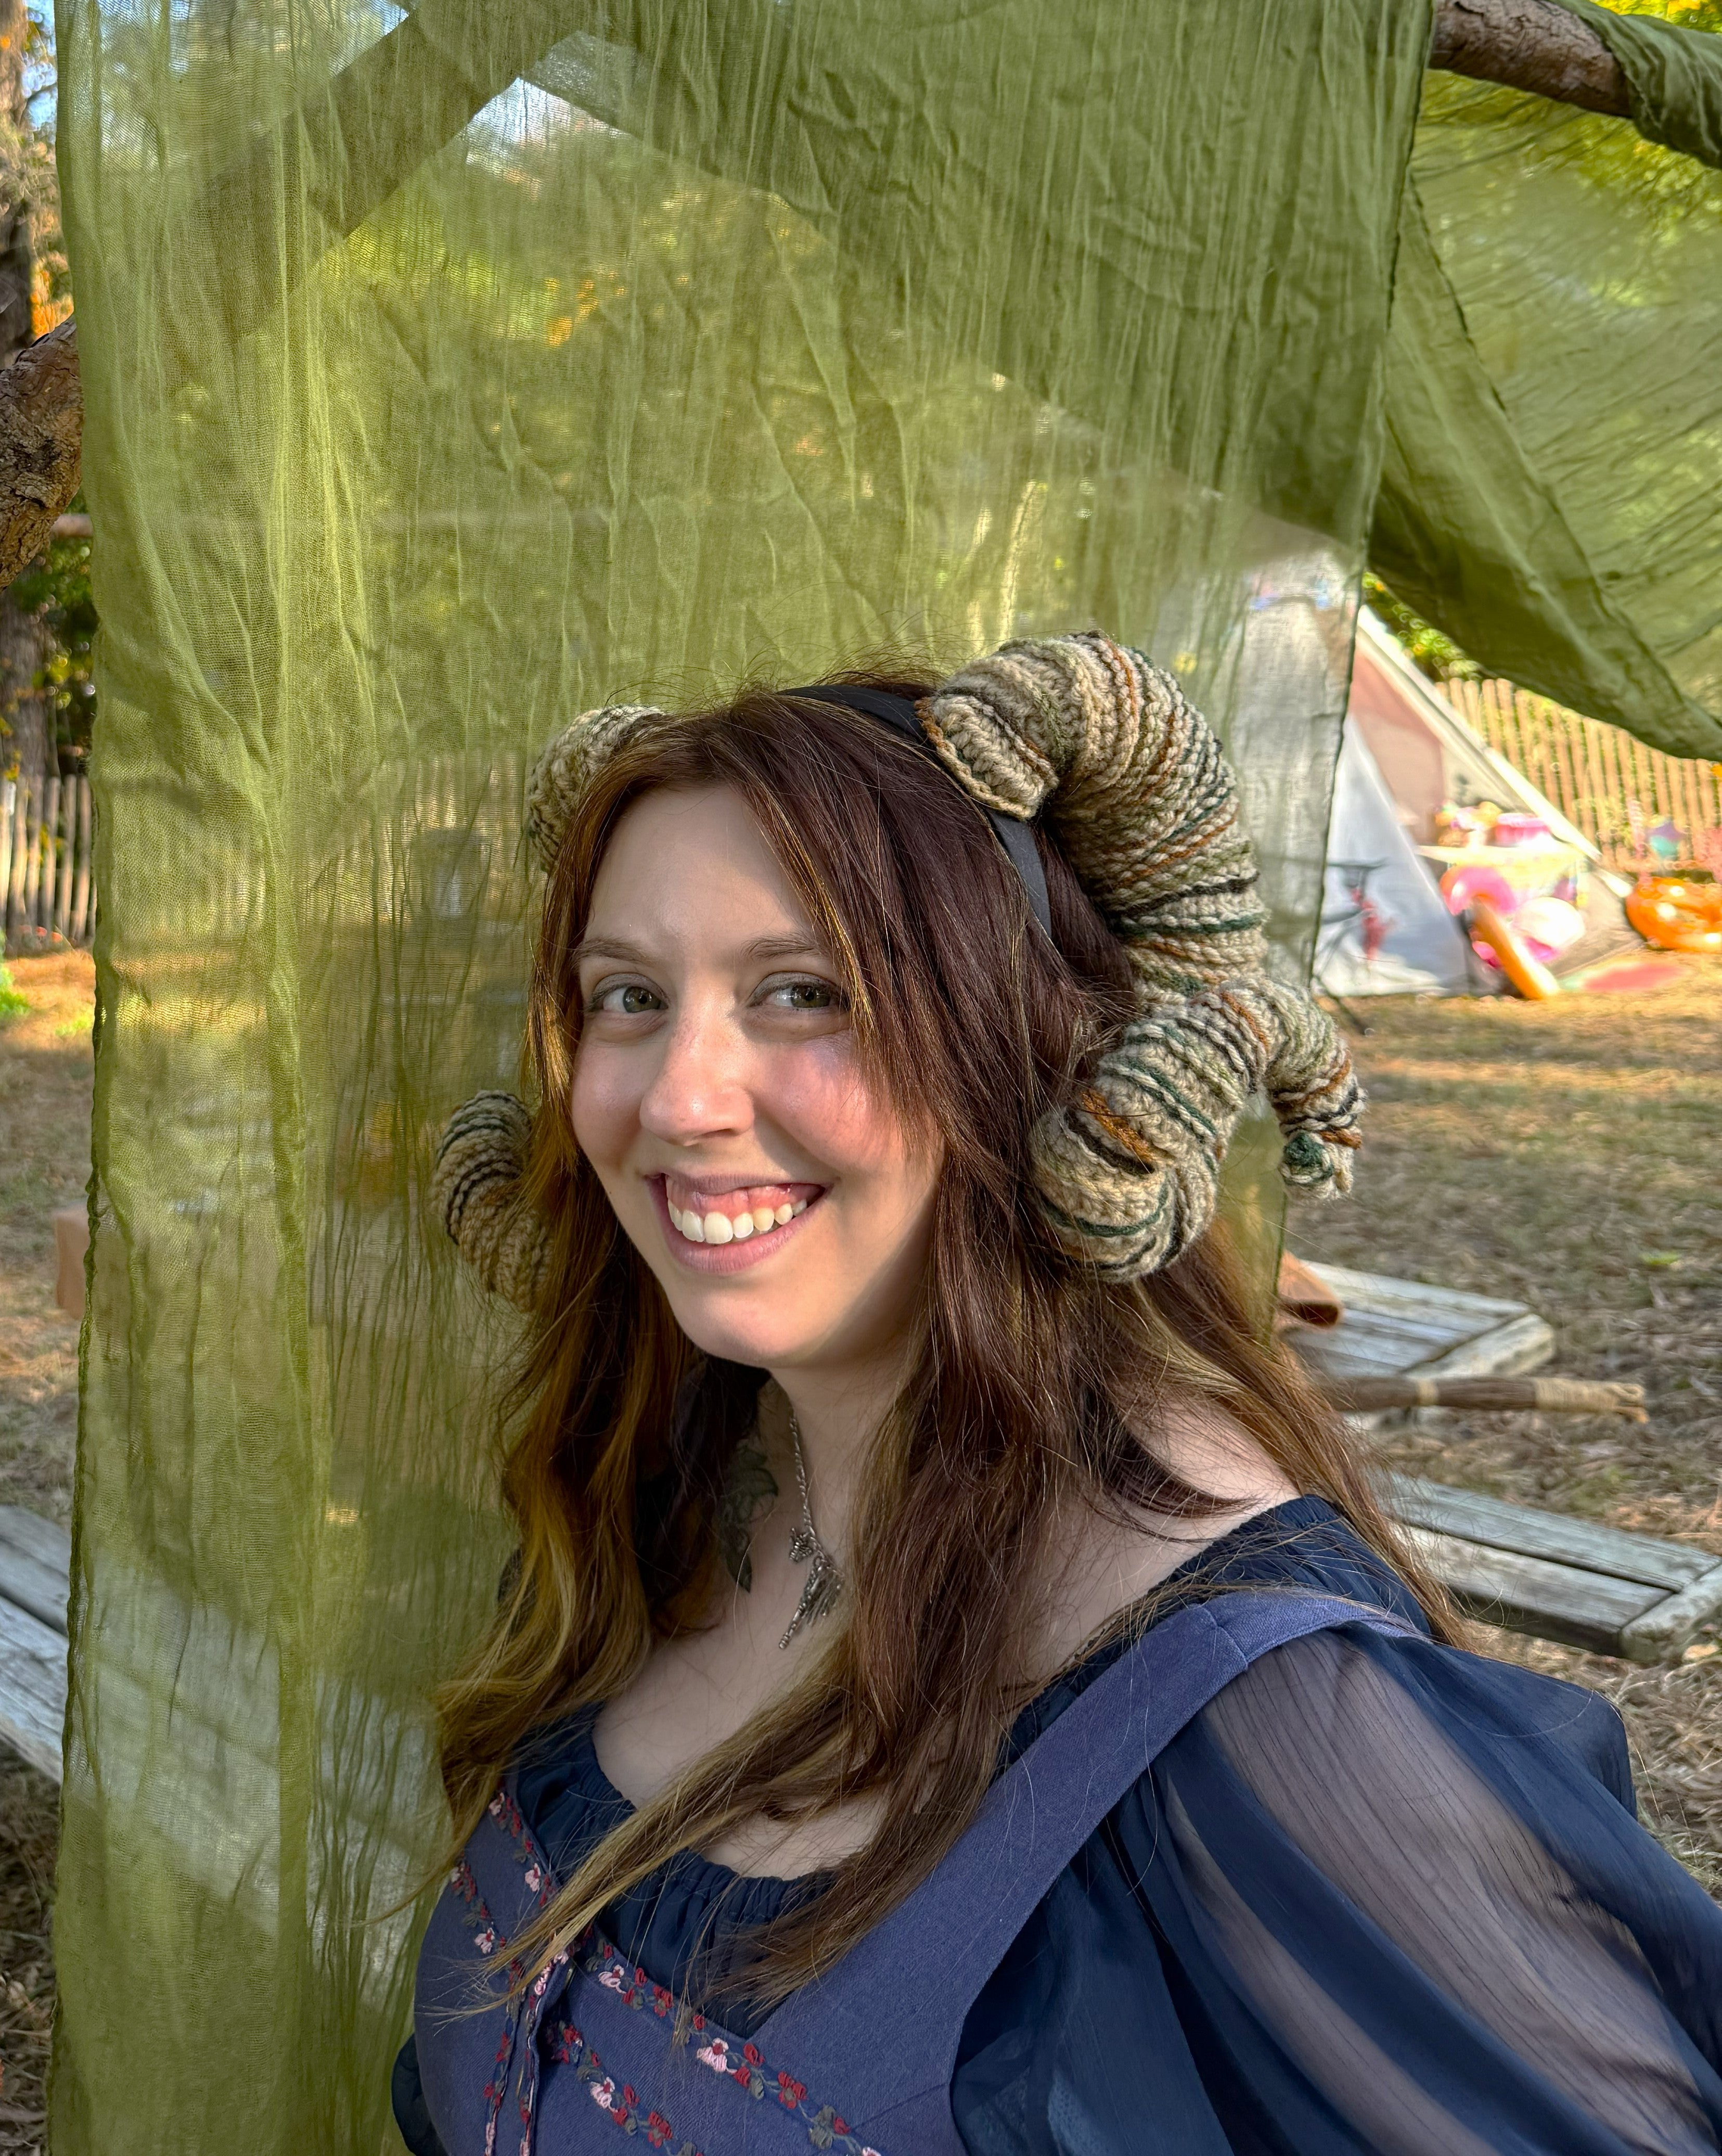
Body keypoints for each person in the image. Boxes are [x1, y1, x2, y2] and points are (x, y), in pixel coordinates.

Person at [396, 634, 1722, 2156]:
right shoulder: (670, 1495)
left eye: (805, 993)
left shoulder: (1263, 1712)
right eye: (629, 995)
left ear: (1035, 1049)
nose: (681, 1097)